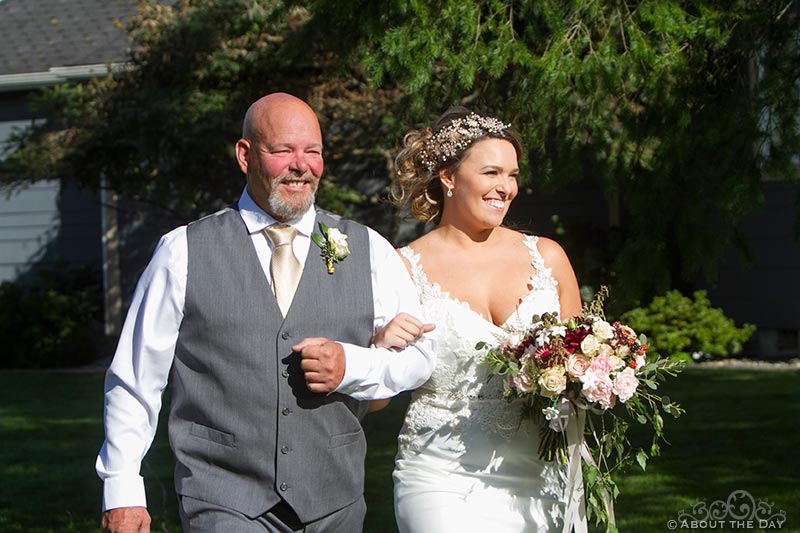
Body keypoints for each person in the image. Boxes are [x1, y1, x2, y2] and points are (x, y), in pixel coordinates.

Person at [95, 92, 435, 533]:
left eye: (312, 151)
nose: (301, 164)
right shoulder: (182, 251)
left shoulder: (369, 249)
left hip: (335, 503)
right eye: (283, 151)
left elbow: (422, 356)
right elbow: (136, 378)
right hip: (223, 498)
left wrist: (353, 365)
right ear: (245, 155)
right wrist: (122, 488)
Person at [373, 107, 583, 532]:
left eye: (513, 175)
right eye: (491, 173)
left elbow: (580, 367)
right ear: (448, 177)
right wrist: (380, 348)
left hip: (545, 469)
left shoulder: (548, 257)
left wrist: (603, 373)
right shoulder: (402, 268)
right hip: (441, 476)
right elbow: (375, 400)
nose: (505, 188)